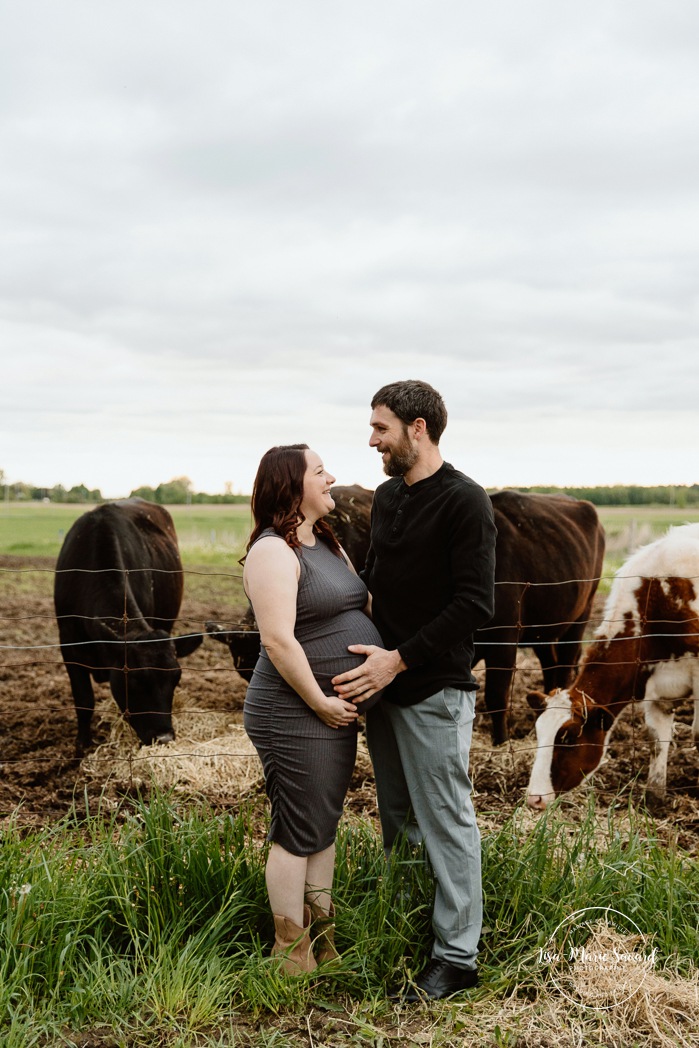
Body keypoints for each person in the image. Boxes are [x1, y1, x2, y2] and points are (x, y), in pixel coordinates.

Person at [332, 380, 497, 1000]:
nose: (371, 439)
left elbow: (474, 604)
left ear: (418, 428)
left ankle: (457, 958)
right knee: (397, 820)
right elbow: (379, 582)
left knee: (447, 821)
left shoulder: (464, 501)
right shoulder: (385, 497)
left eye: (381, 428)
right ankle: (407, 929)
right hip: (385, 687)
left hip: (432, 688)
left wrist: (397, 661)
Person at [242, 443, 384, 975]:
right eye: (320, 471)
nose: (331, 479)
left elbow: (364, 605)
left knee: (320, 826)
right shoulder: (272, 552)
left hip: (328, 711)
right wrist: (322, 702)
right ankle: (289, 951)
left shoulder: (325, 542)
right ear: (292, 485)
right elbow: (278, 641)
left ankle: (322, 939)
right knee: (296, 830)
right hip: (292, 709)